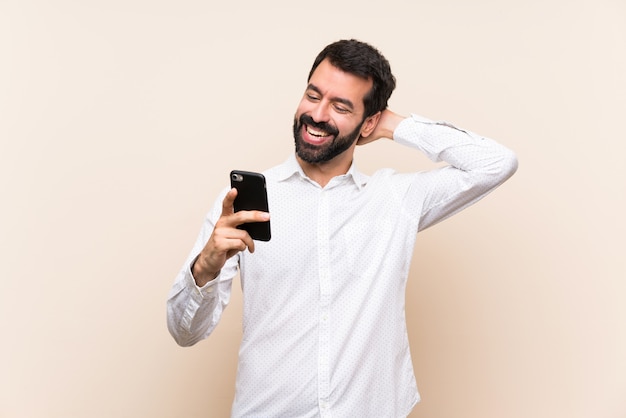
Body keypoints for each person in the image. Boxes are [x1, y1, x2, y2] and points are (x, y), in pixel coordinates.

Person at [167, 39, 518, 418]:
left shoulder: (395, 199)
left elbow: (496, 163)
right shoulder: (242, 201)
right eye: (313, 95)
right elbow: (185, 333)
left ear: (369, 122)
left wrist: (397, 126)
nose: (317, 115)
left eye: (340, 106)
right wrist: (205, 267)